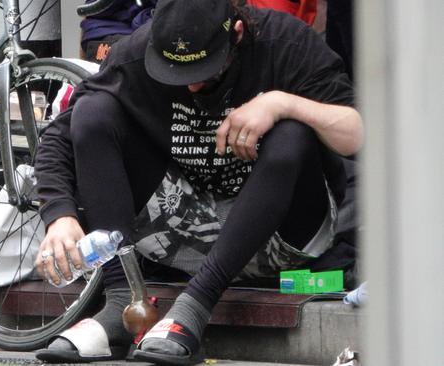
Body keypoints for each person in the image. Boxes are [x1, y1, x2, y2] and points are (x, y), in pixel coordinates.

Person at [34, 0, 362, 364]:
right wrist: (59, 215)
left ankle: (194, 306)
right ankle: (124, 303)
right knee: (92, 113)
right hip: (189, 229)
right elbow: (60, 136)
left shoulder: (285, 43)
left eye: (204, 72)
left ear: (236, 34)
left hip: (282, 237)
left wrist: (282, 104)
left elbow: (360, 133)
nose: (190, 86)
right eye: (172, 72)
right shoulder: (136, 53)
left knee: (291, 135)